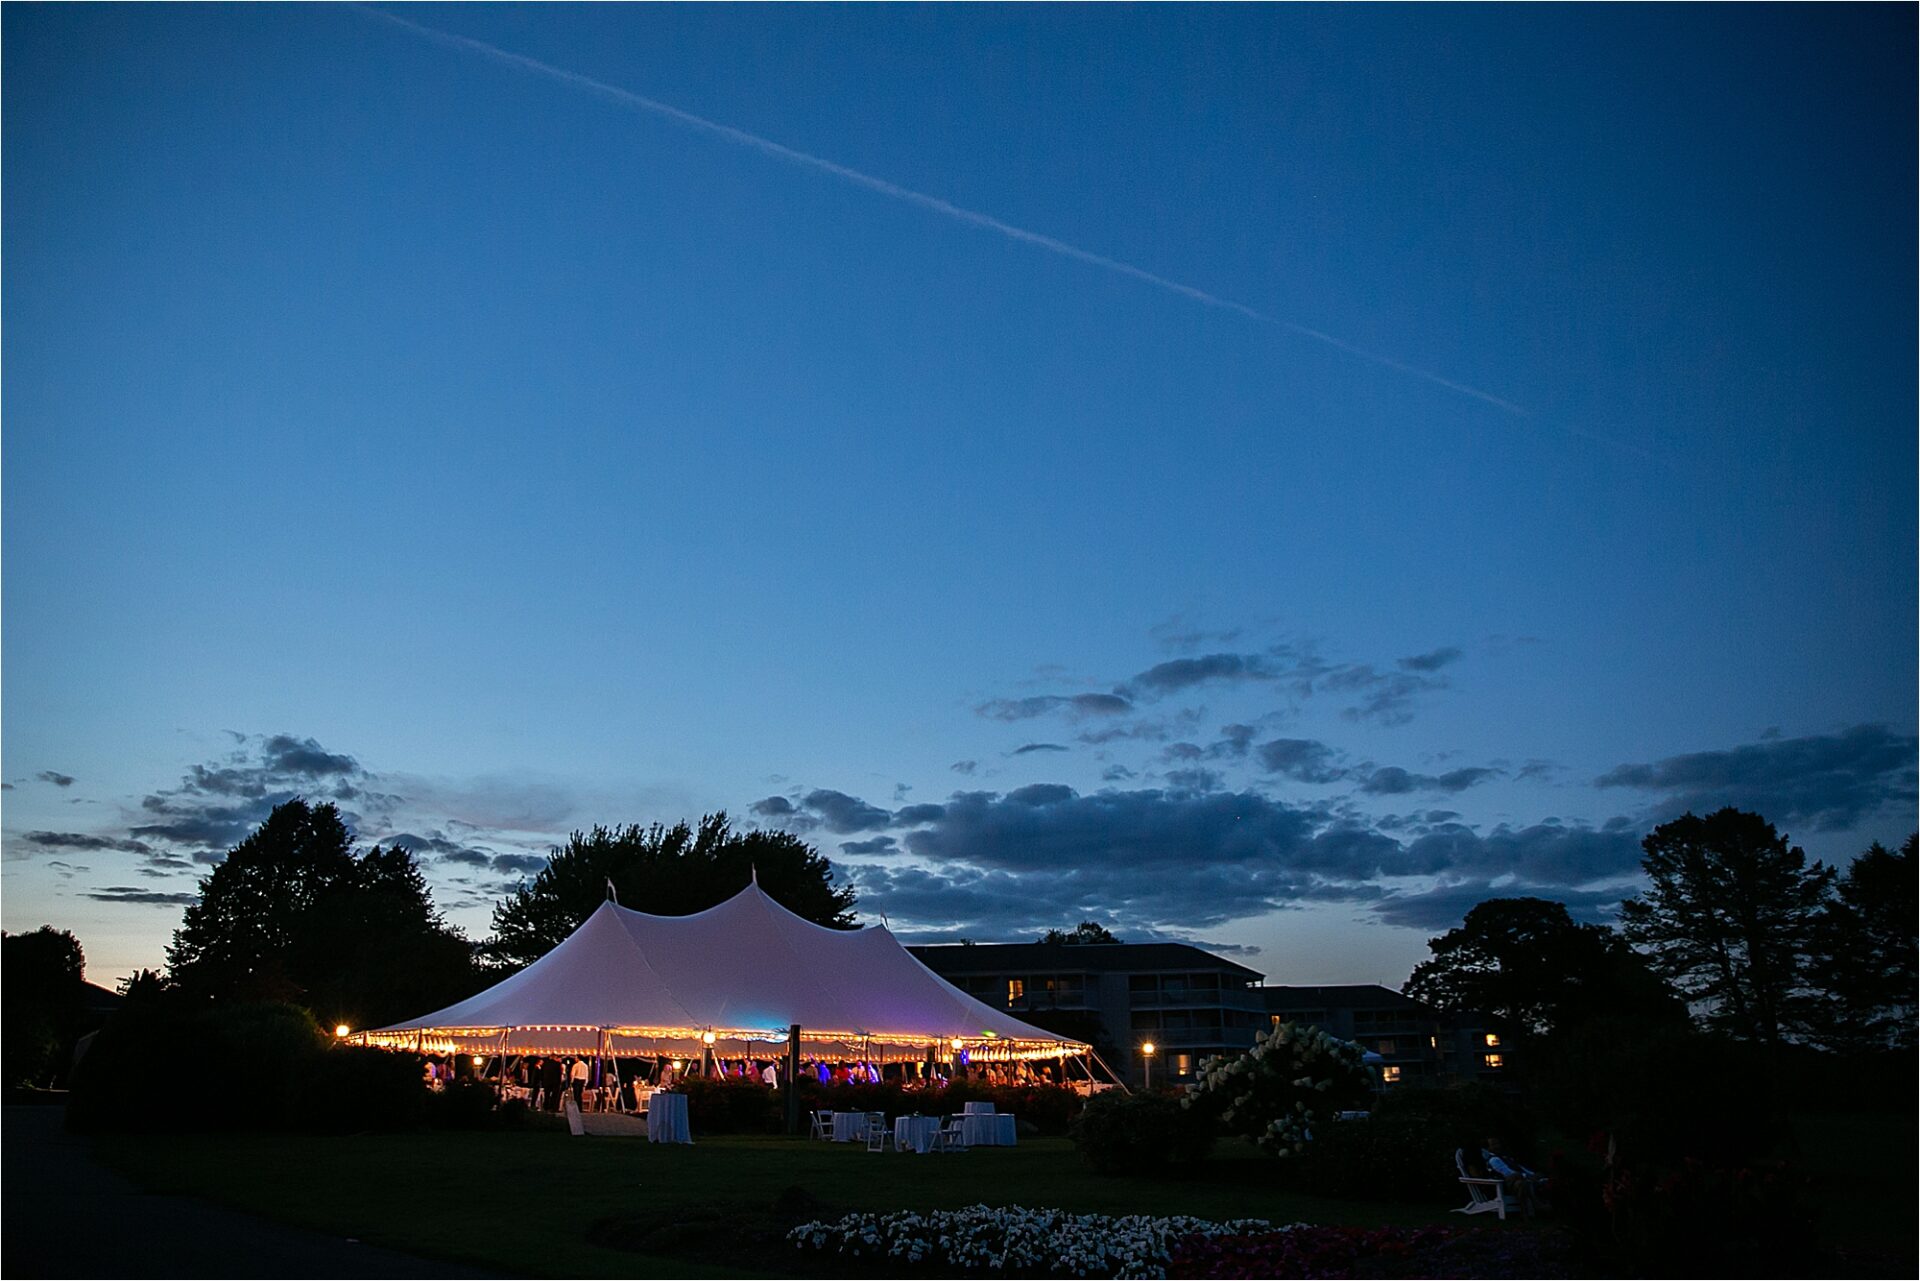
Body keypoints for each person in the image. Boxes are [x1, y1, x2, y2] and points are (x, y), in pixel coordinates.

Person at [1482, 1136, 1546, 1216]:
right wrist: (1527, 1176)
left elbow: (1520, 1168)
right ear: (1488, 1148)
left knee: (1532, 1180)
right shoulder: (1494, 1160)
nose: (1497, 1146)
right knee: (1521, 1182)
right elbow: (1508, 1173)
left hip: (1517, 1181)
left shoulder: (1506, 1157)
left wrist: (1532, 1174)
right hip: (1504, 1185)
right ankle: (1534, 1207)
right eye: (1494, 1144)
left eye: (1498, 1143)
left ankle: (1540, 1207)